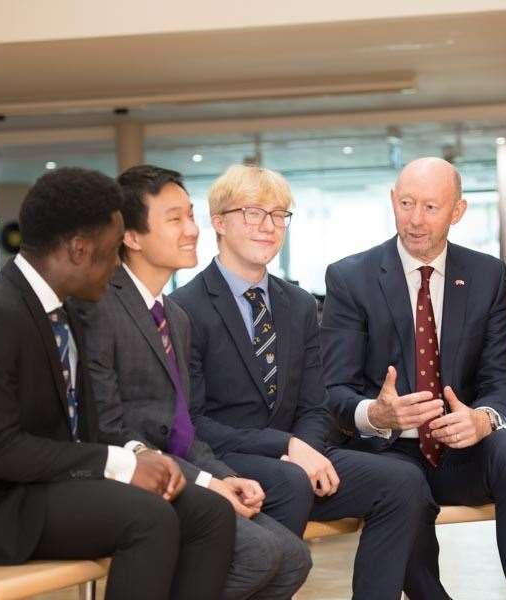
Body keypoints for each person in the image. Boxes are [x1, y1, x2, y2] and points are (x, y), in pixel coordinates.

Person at [0, 168, 236, 600]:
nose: (115, 268)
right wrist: (122, 466)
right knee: (148, 517)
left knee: (210, 513)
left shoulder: (67, 308)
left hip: (54, 486)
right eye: (111, 253)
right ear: (78, 250)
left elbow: (86, 426)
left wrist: (139, 453)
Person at [171, 164, 436, 600]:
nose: (269, 226)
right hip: (228, 460)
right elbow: (194, 422)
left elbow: (316, 405)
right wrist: (286, 448)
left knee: (402, 480)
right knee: (290, 480)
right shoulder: (185, 307)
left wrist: (306, 449)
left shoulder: (297, 303)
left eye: (279, 215)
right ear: (218, 222)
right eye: (253, 213)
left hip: (296, 458)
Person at [320, 157, 506, 600]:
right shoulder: (351, 278)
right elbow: (333, 390)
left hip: (461, 451)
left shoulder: (487, 274)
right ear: (392, 201)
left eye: (431, 206)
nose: (414, 219)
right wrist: (376, 413)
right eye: (406, 203)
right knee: (400, 490)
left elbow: (502, 378)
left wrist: (483, 419)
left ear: (458, 212)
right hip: (388, 453)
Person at [80, 164, 311, 600]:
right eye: (175, 219)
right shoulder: (101, 307)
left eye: (190, 216)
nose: (192, 230)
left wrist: (225, 477)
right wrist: (210, 484)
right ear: (130, 237)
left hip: (181, 471)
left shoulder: (175, 317)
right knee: (260, 553)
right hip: (128, 477)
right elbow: (112, 431)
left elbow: (183, 427)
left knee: (293, 557)